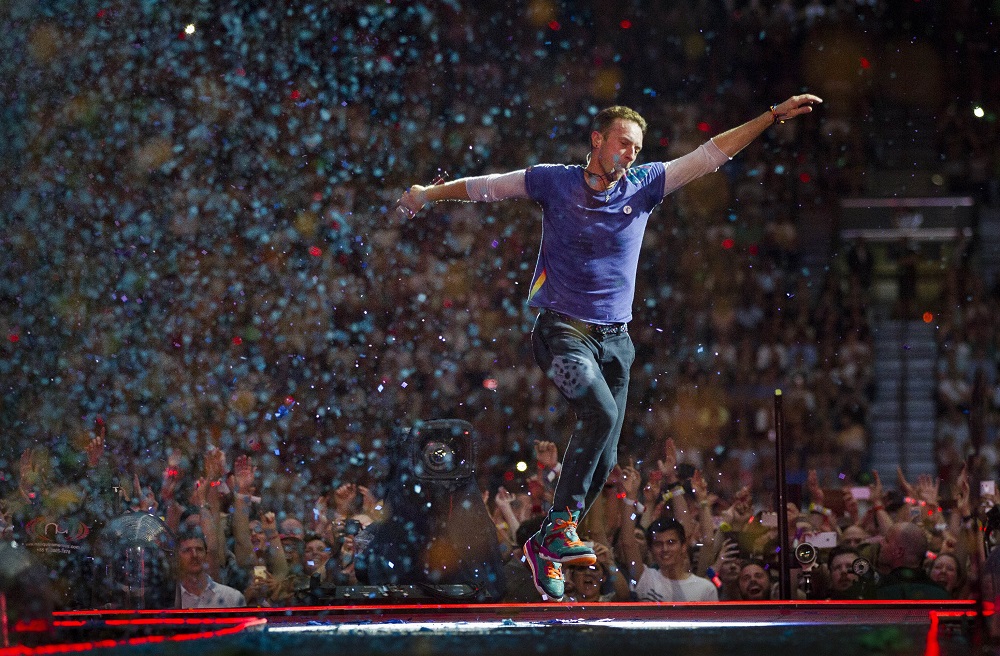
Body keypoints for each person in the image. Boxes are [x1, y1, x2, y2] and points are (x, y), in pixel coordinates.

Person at [397, 94, 822, 601]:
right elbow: (488, 187)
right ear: (597, 140)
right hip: (561, 333)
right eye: (623, 143)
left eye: (637, 147)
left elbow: (710, 156)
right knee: (598, 413)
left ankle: (544, 544)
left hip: (617, 343)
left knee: (607, 458)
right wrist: (429, 193)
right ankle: (561, 525)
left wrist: (770, 117)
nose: (631, 153)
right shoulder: (554, 181)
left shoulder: (644, 185)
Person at [624, 518, 718, 602]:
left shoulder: (705, 589)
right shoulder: (646, 578)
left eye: (671, 542)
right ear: (651, 549)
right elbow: (627, 544)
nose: (665, 549)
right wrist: (630, 504)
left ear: (683, 546)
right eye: (658, 544)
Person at [174, 529, 246, 609]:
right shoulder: (170, 600)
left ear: (206, 554)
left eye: (199, 549)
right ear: (177, 557)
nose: (194, 555)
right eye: (187, 550)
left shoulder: (232, 598)